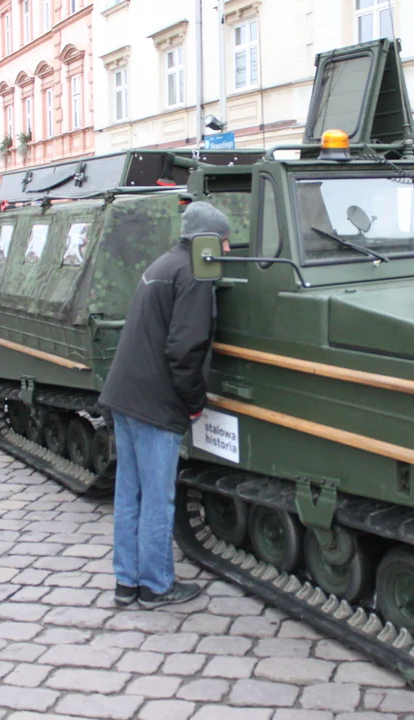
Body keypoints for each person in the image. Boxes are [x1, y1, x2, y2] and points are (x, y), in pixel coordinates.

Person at [99, 201, 231, 609]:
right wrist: (194, 402)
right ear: (207, 239)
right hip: (155, 401)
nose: (227, 250)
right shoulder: (194, 273)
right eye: (224, 241)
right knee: (157, 498)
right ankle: (156, 585)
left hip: (125, 394)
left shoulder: (163, 264)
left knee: (129, 494)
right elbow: (184, 350)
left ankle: (127, 583)